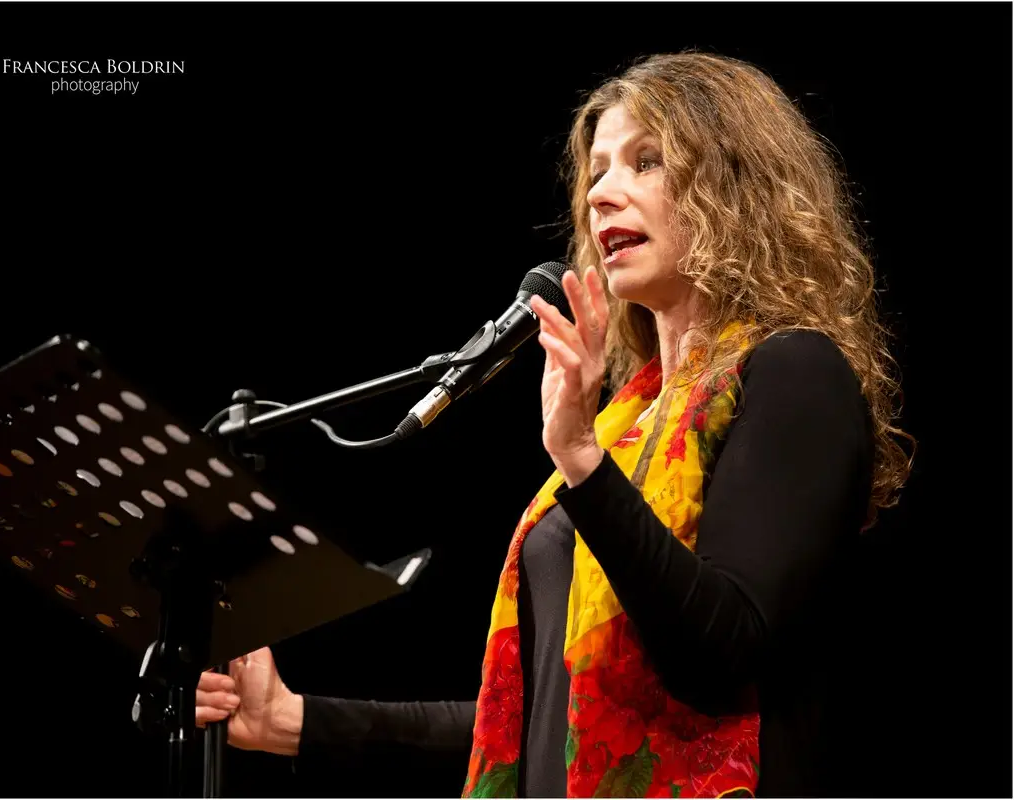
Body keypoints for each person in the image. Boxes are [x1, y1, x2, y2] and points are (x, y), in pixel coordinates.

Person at [196, 51, 913, 797]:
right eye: (596, 171)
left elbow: (721, 653)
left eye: (646, 161)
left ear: (734, 187)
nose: (601, 193)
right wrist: (292, 721)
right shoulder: (630, 419)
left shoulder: (794, 372)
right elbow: (538, 723)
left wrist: (580, 458)